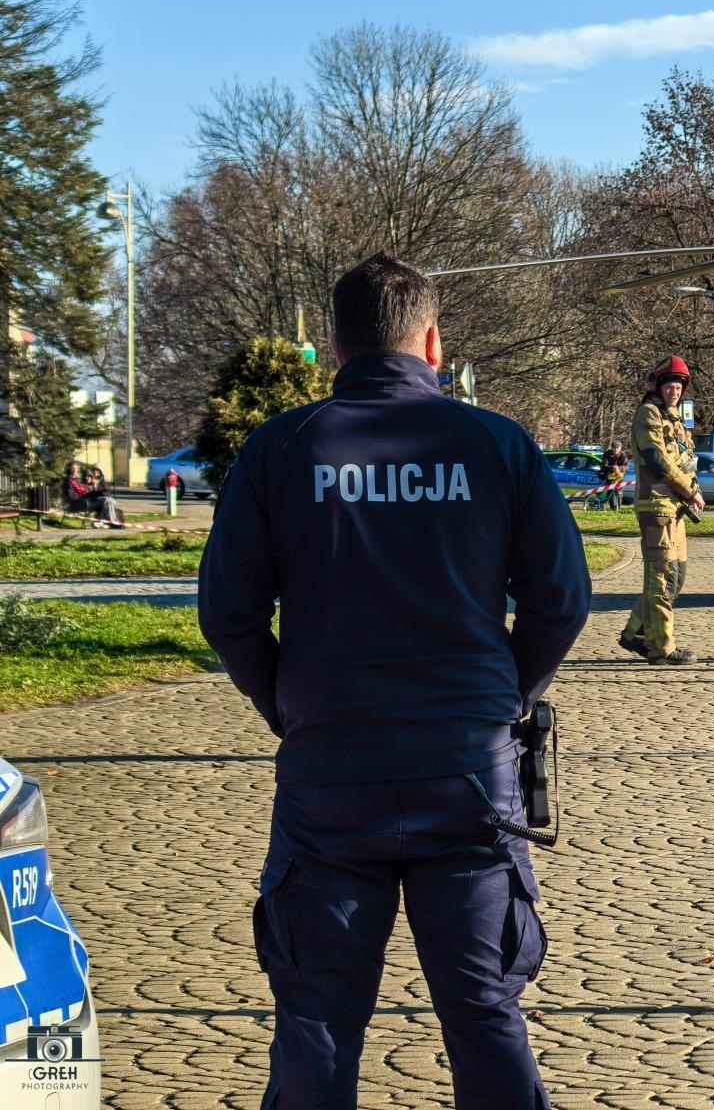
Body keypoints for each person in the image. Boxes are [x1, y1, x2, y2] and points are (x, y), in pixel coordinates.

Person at [197, 252, 590, 1110]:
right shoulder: (498, 445)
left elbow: (228, 613)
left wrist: (288, 707)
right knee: (484, 1011)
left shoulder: (280, 448)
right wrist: (504, 701)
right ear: (434, 342)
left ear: (337, 345)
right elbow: (561, 600)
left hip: (331, 775)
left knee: (318, 1018)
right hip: (469, 774)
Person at [618, 356, 703, 665]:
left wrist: (693, 490)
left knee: (676, 578)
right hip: (657, 506)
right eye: (669, 387)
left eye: (678, 387)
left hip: (675, 508)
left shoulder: (675, 419)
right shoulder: (649, 414)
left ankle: (635, 632)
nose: (674, 392)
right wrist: (690, 490)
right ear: (657, 387)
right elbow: (657, 460)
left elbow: (686, 461)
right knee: (662, 579)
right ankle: (661, 648)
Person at [599, 439, 629, 511]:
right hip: (609, 475)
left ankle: (619, 507)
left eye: (617, 448)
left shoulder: (623, 455)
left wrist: (618, 468)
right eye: (614, 447)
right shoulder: (606, 454)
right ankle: (613, 508)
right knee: (610, 490)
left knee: (619, 491)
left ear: (620, 448)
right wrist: (612, 468)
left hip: (619, 475)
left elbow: (627, 467)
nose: (616, 449)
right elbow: (603, 466)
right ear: (611, 447)